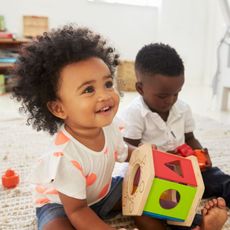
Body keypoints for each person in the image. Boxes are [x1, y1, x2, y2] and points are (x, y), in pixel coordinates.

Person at [12, 26, 227, 230]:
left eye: (107, 84)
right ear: (59, 108)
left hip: (104, 194)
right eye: (88, 89)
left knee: (147, 191)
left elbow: (127, 153)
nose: (105, 95)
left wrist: (154, 160)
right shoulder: (65, 158)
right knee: (57, 226)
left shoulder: (110, 128)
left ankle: (194, 223)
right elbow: (78, 211)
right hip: (63, 206)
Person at [118, 43, 229, 228]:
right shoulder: (134, 114)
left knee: (218, 178)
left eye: (176, 94)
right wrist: (161, 161)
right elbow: (129, 153)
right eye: (162, 96)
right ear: (140, 88)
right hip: (157, 175)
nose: (170, 100)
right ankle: (200, 224)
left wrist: (200, 153)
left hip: (186, 167)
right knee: (168, 203)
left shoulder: (182, 108)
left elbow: (190, 138)